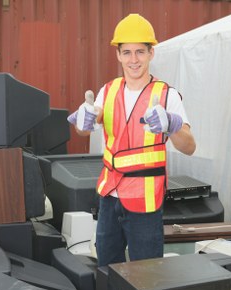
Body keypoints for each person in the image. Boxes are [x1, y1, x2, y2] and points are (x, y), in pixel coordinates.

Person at [68, 13, 196, 267]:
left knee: (146, 276)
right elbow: (86, 130)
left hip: (145, 202)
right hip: (109, 198)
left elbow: (189, 147)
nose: (133, 59)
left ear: (151, 53)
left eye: (140, 51)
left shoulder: (166, 95)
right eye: (127, 52)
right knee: (107, 270)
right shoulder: (109, 90)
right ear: (118, 54)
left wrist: (171, 124)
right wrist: (84, 120)